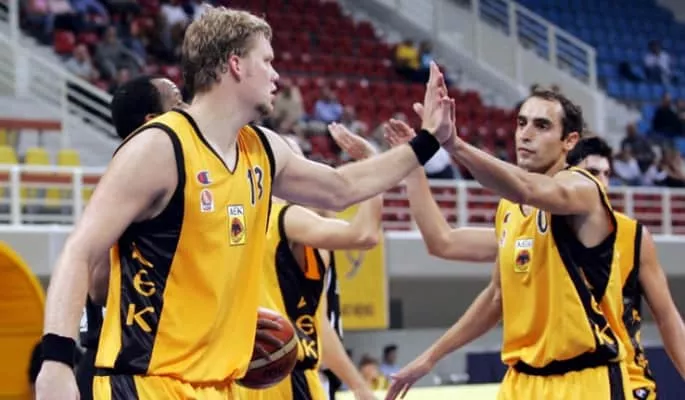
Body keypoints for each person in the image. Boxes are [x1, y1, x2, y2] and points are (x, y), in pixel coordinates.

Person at [34, 6, 456, 399]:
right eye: (267, 61)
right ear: (236, 64)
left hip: (222, 385)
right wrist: (56, 361)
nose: (276, 74)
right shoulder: (158, 148)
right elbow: (79, 251)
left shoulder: (262, 148)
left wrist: (427, 141)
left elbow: (342, 188)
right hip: (146, 381)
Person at [384, 110, 685, 399]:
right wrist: (413, 163)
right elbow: (444, 242)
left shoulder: (633, 236)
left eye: (607, 174)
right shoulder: (522, 219)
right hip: (535, 379)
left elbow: (668, 317)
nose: (601, 182)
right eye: (592, 173)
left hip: (614, 379)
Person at [236, 132, 379, 400]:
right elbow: (365, 235)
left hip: (239, 378)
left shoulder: (231, 217)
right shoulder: (287, 219)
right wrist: (373, 167)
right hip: (286, 374)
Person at [75, 75, 184, 400]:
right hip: (119, 369)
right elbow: (97, 288)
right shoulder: (130, 183)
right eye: (178, 104)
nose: (190, 111)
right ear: (153, 121)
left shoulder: (179, 178)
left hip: (164, 365)